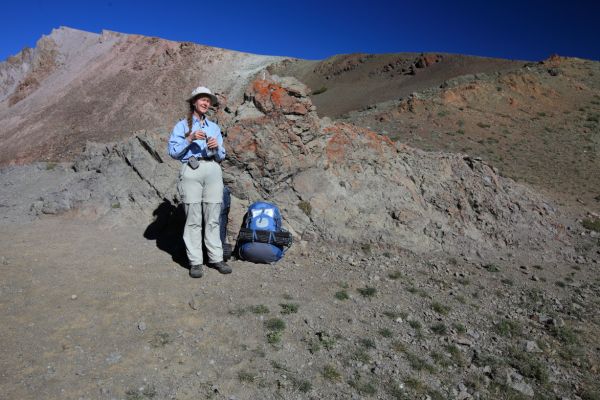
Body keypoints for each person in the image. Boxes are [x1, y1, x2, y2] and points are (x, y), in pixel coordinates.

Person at [167, 86, 232, 278]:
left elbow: (222, 155)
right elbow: (172, 152)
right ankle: (195, 262)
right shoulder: (181, 126)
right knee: (193, 217)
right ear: (194, 102)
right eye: (202, 99)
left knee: (213, 215)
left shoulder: (214, 127)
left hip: (212, 169)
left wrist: (216, 147)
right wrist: (190, 138)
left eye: (208, 100)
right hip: (191, 169)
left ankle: (216, 258)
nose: (205, 103)